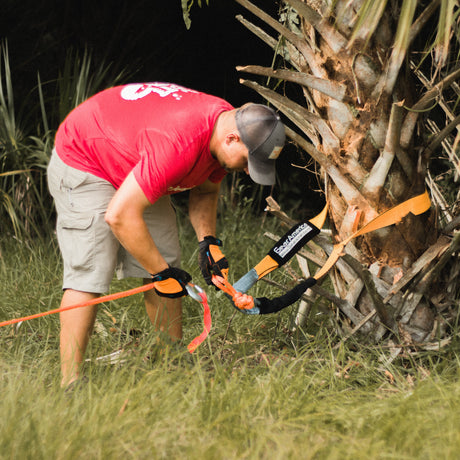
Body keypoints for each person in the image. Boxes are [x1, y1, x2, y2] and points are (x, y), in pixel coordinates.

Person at [47, 82, 285, 387]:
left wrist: (208, 241)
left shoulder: (226, 129)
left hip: (137, 156)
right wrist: (160, 272)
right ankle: (71, 383)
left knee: (169, 261)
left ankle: (170, 364)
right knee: (90, 273)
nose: (247, 171)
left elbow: (206, 190)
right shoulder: (179, 144)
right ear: (231, 138)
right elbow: (118, 216)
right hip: (86, 156)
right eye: (247, 161)